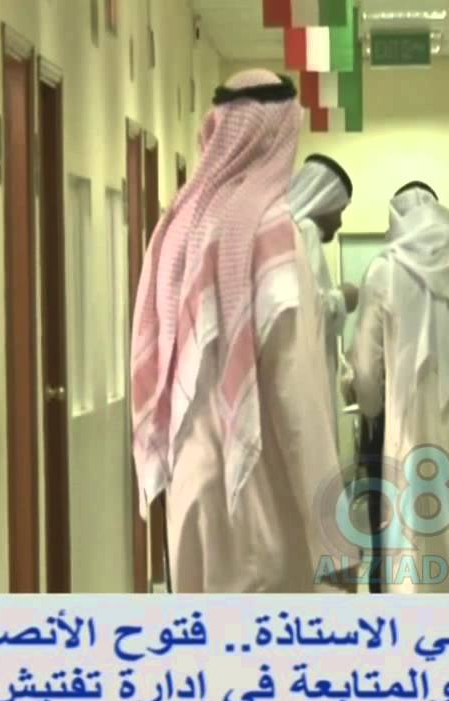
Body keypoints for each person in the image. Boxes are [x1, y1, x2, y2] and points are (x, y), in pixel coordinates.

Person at [129, 69, 341, 593]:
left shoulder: (177, 228)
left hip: (191, 490)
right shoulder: (271, 233)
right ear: (279, 133)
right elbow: (297, 396)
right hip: (257, 497)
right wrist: (333, 533)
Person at [348, 181, 449, 593]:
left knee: (414, 540)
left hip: (409, 433)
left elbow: (365, 372)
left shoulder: (383, 271)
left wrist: (373, 412)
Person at [289, 153, 359, 418]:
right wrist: (344, 298)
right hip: (303, 386)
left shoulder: (285, 231)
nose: (339, 223)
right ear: (323, 200)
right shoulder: (304, 230)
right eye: (339, 211)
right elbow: (309, 311)